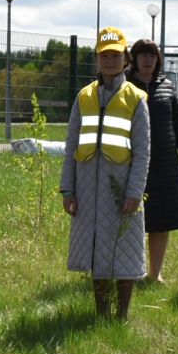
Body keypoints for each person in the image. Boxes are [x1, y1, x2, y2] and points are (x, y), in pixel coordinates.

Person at [61, 27, 151, 319]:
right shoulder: (84, 97)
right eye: (104, 55)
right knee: (97, 249)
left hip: (121, 189)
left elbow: (142, 151)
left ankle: (122, 314)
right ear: (96, 59)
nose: (110, 60)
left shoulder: (136, 99)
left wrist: (135, 192)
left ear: (126, 59)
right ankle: (101, 312)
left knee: (124, 248)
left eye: (115, 54)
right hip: (87, 188)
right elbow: (71, 146)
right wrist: (68, 189)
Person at [128, 38, 178, 283]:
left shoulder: (167, 87)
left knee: (160, 221)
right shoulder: (125, 87)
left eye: (152, 55)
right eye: (143, 55)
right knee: (132, 220)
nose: (148, 60)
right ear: (133, 59)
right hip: (132, 163)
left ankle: (155, 274)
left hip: (164, 164)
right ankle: (131, 271)